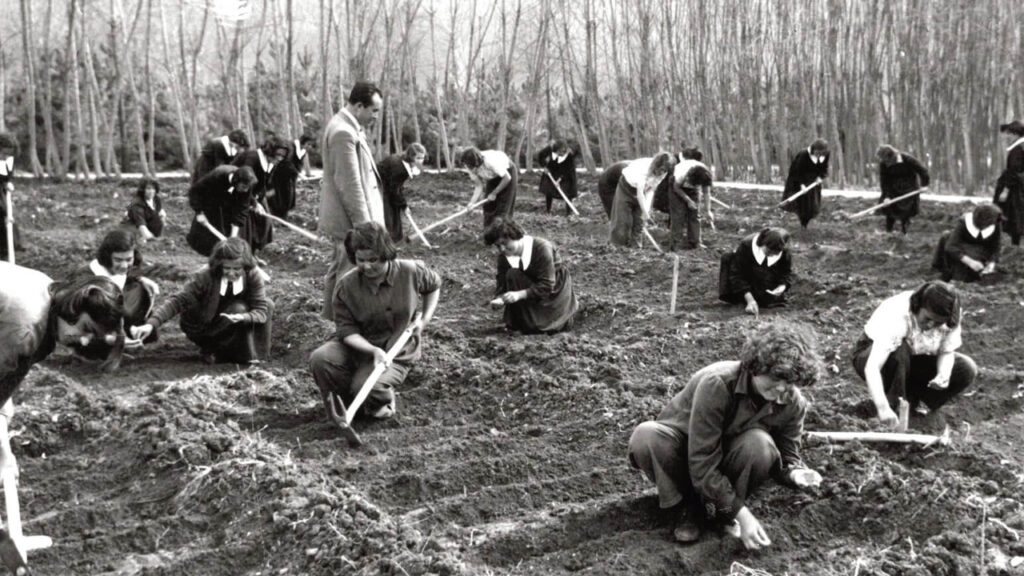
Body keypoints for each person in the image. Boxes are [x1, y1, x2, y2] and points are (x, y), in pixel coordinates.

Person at [627, 321, 824, 548]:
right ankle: (686, 509)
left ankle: (720, 513)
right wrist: (744, 516)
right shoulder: (718, 384)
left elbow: (787, 456)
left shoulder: (793, 403)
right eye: (775, 378)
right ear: (755, 366)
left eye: (789, 381)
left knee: (759, 444)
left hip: (728, 465)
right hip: (687, 456)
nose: (781, 388)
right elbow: (701, 462)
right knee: (646, 436)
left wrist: (796, 473)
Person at [309, 222, 441, 430]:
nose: (367, 266)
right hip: (359, 347)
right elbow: (346, 331)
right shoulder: (346, 285)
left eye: (374, 260)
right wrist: (372, 351)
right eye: (361, 260)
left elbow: (434, 285)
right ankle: (346, 407)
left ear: (386, 254)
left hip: (396, 351)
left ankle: (381, 403)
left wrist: (424, 320)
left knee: (369, 388)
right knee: (321, 358)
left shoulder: (409, 271)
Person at [1, 263, 127, 473]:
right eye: (85, 328)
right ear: (75, 305)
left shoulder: (45, 287)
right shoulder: (26, 327)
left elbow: (5, 384)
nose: (82, 340)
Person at [852, 281, 976, 426]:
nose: (930, 326)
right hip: (872, 356)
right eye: (927, 319)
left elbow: (946, 351)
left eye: (937, 323)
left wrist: (944, 373)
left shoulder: (950, 316)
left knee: (966, 368)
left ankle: (916, 406)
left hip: (913, 359)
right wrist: (883, 408)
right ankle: (893, 409)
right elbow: (872, 368)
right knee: (900, 351)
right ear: (918, 306)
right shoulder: (898, 314)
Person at [132, 238, 273, 365]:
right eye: (227, 268)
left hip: (236, 316)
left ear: (245, 266)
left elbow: (261, 311)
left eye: (237, 269)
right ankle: (213, 350)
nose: (231, 273)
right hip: (204, 326)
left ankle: (257, 355)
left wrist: (243, 317)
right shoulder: (204, 276)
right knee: (239, 307)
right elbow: (178, 301)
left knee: (267, 304)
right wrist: (151, 325)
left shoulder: (253, 275)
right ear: (219, 265)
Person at [319, 81, 386, 321]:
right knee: (347, 271)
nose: (376, 116)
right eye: (374, 111)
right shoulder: (343, 133)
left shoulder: (346, 126)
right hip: (348, 219)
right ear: (359, 106)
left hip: (346, 218)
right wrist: (364, 228)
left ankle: (329, 319)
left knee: (339, 267)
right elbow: (350, 184)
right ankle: (342, 323)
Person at [484, 219, 578, 334]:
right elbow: (502, 283)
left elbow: (547, 285)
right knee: (512, 274)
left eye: (505, 243)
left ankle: (560, 320)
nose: (502, 249)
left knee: (541, 328)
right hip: (531, 289)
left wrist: (519, 294)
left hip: (553, 291)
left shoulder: (541, 248)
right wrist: (499, 299)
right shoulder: (503, 258)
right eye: (498, 246)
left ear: (516, 237)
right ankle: (523, 321)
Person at [75, 228, 160, 345]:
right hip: (93, 332)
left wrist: (141, 279)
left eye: (129, 259)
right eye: (118, 260)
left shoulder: (124, 274)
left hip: (124, 325)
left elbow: (128, 276)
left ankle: (135, 331)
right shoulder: (86, 277)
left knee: (140, 288)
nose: (124, 265)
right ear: (107, 257)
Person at [233, 135, 291, 255]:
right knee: (246, 223)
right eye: (277, 155)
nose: (279, 159)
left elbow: (264, 183)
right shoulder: (252, 158)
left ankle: (255, 253)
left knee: (264, 221)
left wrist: (259, 200)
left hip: (253, 193)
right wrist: (253, 203)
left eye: (282, 156)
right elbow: (245, 182)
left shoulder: (272, 162)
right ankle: (244, 255)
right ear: (270, 151)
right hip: (238, 191)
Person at [718, 227, 793, 316]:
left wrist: (781, 286)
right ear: (763, 244)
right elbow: (737, 275)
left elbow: (786, 272)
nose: (770, 255)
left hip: (766, 276)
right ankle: (743, 298)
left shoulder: (784, 251)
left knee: (766, 300)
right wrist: (750, 300)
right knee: (727, 257)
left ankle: (762, 297)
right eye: (768, 251)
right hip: (748, 275)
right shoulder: (746, 245)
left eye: (774, 254)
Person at [186, 165, 257, 257]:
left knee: (231, 229)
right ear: (236, 181)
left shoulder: (247, 185)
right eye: (244, 187)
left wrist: (233, 236)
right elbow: (195, 191)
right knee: (207, 234)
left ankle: (227, 249)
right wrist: (199, 212)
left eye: (248, 188)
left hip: (229, 201)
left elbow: (242, 208)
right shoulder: (217, 176)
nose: (246, 190)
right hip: (209, 200)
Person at [609, 153, 677, 247]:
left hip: (644, 190)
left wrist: (646, 210)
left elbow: (650, 190)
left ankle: (636, 248)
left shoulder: (664, 173)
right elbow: (640, 194)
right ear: (656, 165)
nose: (662, 173)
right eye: (661, 170)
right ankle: (618, 246)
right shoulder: (643, 170)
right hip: (626, 188)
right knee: (622, 219)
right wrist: (645, 211)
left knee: (640, 221)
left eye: (665, 171)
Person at [932, 204, 1002, 282]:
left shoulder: (995, 223)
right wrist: (970, 262)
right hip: (962, 250)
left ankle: (971, 275)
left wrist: (991, 263)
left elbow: (996, 246)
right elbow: (950, 246)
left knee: (973, 253)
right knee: (946, 236)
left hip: (981, 252)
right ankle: (943, 270)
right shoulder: (964, 222)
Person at [378, 143, 427, 242]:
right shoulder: (400, 168)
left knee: (395, 207)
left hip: (388, 186)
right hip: (380, 187)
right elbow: (394, 190)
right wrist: (404, 205)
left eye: (422, 158)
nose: (421, 161)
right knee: (389, 212)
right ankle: (388, 240)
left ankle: (395, 238)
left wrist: (402, 204)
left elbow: (397, 187)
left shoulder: (402, 161)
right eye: (418, 158)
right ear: (411, 156)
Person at [876, 145, 930, 234]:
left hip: (909, 187)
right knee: (889, 208)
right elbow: (884, 181)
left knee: (906, 210)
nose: (887, 164)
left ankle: (904, 230)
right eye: (884, 161)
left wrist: (924, 184)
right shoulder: (883, 164)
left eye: (888, 161)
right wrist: (886, 196)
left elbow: (922, 171)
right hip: (892, 187)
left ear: (892, 156)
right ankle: (888, 230)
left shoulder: (907, 159)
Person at [462, 147, 518, 228]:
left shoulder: (490, 161)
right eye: (467, 166)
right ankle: (488, 235)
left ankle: (502, 236)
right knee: (488, 206)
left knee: (503, 210)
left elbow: (507, 178)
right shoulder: (468, 165)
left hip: (507, 174)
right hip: (492, 177)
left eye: (471, 166)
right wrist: (472, 203)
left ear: (476, 162)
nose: (469, 168)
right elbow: (479, 186)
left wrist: (494, 193)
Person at [667, 156, 714, 251]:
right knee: (678, 215)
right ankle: (676, 244)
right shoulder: (682, 173)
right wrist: (688, 200)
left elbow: (706, 192)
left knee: (695, 214)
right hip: (677, 187)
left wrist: (708, 210)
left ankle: (695, 243)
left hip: (693, 189)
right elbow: (676, 188)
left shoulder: (705, 175)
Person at [780, 139, 829, 229]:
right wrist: (802, 185)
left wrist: (820, 177)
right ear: (814, 149)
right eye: (817, 152)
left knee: (813, 204)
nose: (818, 155)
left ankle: (808, 223)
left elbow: (824, 168)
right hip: (799, 179)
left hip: (814, 181)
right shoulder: (803, 154)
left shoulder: (826, 155)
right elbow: (797, 171)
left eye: (820, 153)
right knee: (802, 204)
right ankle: (802, 223)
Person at [267, 135, 315, 219]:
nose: (309, 147)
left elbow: (298, 164)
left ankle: (283, 215)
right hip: (281, 176)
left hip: (290, 177)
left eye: (310, 145)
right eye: (308, 144)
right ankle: (277, 216)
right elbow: (287, 162)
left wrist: (297, 174)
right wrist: (298, 173)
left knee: (289, 196)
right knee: (280, 196)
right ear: (302, 142)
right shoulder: (291, 147)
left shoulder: (303, 151)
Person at [994, 120, 1024, 245]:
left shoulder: (1017, 149)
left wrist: (1005, 190)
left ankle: (1015, 244)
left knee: (1014, 215)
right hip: (1019, 185)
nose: (1007, 137)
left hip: (1015, 188)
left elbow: (1013, 171)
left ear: (1016, 134)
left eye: (1009, 134)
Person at [536, 140, 578, 215]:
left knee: (568, 192)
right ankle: (548, 210)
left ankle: (569, 213)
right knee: (548, 190)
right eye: (560, 152)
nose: (562, 154)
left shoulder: (570, 155)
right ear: (556, 150)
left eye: (563, 152)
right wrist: (544, 166)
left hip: (567, 173)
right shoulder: (549, 149)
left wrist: (559, 179)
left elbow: (568, 169)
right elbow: (540, 156)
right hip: (552, 170)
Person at [123, 177, 166, 243]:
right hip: (135, 226)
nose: (151, 191)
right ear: (143, 190)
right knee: (138, 239)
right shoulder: (137, 203)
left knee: (160, 217)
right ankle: (146, 239)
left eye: (153, 188)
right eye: (148, 189)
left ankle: (156, 237)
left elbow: (160, 211)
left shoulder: (156, 199)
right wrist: (150, 237)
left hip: (148, 222)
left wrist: (162, 216)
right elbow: (141, 224)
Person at [0, 132, 22, 261]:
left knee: (6, 217)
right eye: (3, 154)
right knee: (2, 212)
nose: (5, 157)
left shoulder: (9, 159)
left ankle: (5, 251)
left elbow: (8, 174)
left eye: (8, 154)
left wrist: (8, 182)